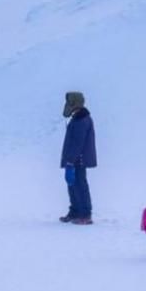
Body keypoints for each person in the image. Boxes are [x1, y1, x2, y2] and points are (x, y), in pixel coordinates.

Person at [59, 91, 97, 224]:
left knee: (80, 185)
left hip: (78, 160)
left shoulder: (82, 119)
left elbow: (78, 143)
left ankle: (85, 214)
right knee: (72, 185)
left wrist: (70, 160)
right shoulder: (77, 118)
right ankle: (75, 211)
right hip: (73, 159)